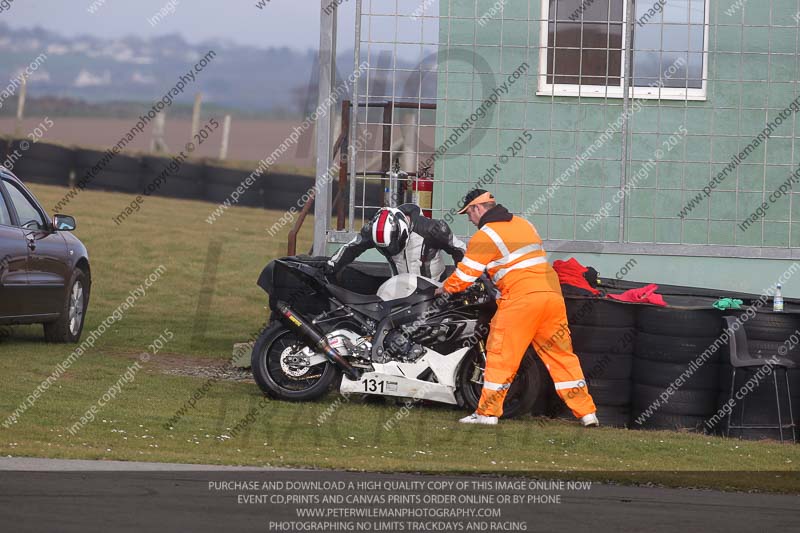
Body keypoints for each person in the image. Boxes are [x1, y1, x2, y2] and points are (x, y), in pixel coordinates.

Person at [435, 189, 598, 427]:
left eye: (468, 214)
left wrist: (443, 289)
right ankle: (587, 413)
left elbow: (465, 276)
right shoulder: (525, 224)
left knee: (501, 356)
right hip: (551, 296)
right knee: (562, 356)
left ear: (478, 209)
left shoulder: (485, 235)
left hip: (522, 299)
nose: (469, 220)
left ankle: (487, 414)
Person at [327, 203, 466, 281]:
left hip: (434, 292)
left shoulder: (432, 229)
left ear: (403, 231)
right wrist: (330, 267)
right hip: (399, 293)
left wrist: (461, 281)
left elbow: (460, 250)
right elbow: (352, 247)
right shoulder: (374, 229)